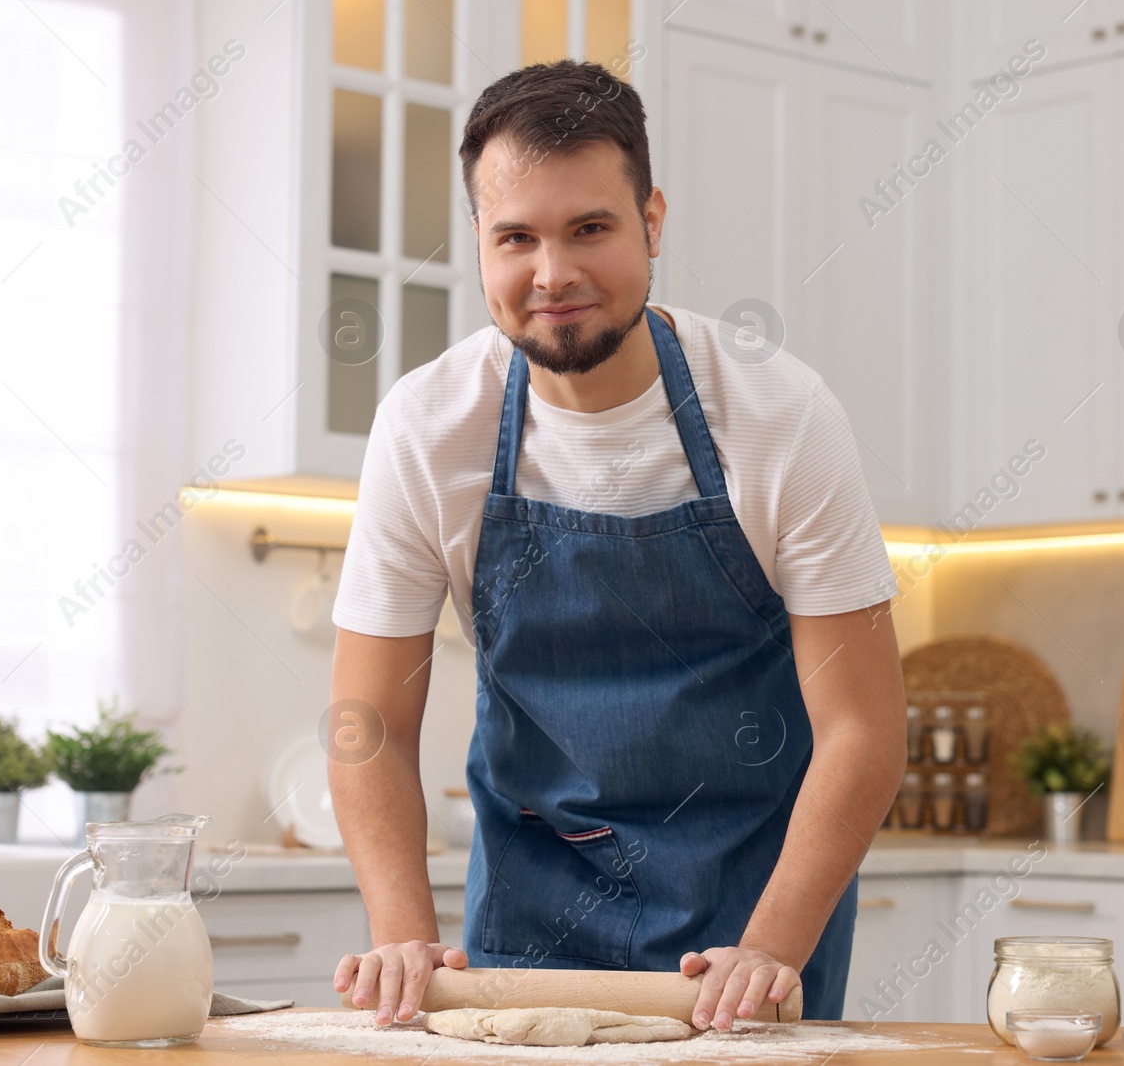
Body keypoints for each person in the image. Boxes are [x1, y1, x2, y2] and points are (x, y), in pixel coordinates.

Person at [327, 58, 905, 1032]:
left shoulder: (778, 416)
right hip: (526, 918)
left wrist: (768, 946)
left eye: (588, 227)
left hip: (743, 929)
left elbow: (863, 729)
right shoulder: (428, 426)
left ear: (651, 222)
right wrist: (400, 933)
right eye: (516, 237)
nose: (552, 274)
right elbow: (366, 721)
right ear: (478, 242)